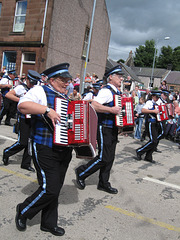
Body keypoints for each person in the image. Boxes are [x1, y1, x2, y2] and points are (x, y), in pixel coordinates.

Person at [15, 63, 73, 236]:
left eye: (68, 80)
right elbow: (22, 105)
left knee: (55, 187)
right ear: (52, 80)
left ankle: (48, 223)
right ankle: (24, 210)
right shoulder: (40, 91)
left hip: (63, 149)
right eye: (63, 80)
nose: (66, 83)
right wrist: (47, 110)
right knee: (50, 188)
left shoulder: (66, 98)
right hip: (44, 147)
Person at [75, 65, 123, 194]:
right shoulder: (106, 91)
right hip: (104, 128)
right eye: (119, 76)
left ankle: (103, 183)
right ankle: (82, 172)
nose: (121, 78)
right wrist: (111, 110)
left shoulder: (117, 92)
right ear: (110, 77)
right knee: (103, 157)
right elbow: (94, 105)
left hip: (112, 128)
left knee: (110, 157)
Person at [2, 70, 41, 171]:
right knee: (22, 142)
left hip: (33, 117)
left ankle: (26, 163)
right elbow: (8, 95)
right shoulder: (21, 88)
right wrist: (22, 101)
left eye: (34, 83)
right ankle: (7, 152)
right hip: (23, 118)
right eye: (30, 82)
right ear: (27, 79)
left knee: (31, 142)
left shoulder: (36, 89)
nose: (32, 84)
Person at [136, 91, 162, 163]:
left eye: (158, 97)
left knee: (155, 140)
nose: (157, 98)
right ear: (153, 96)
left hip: (157, 122)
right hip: (150, 122)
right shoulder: (150, 102)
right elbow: (143, 110)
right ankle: (139, 151)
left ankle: (148, 155)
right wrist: (153, 111)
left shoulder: (160, 102)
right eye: (156, 97)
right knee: (153, 140)